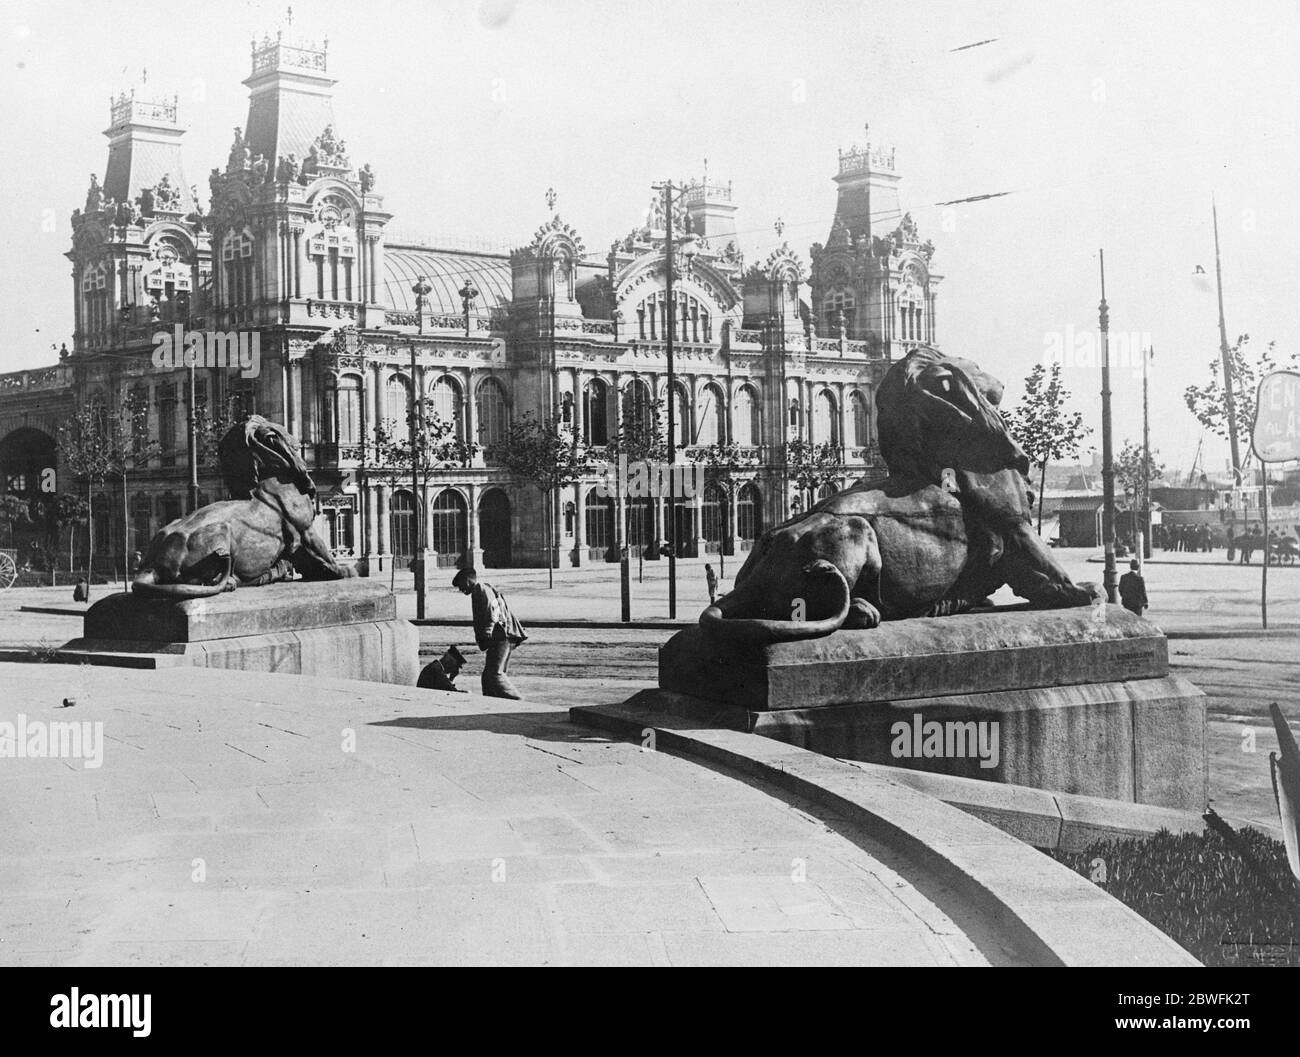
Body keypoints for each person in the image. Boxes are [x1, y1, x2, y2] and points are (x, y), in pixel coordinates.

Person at [453, 567, 527, 699]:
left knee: (494, 673)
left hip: (501, 636)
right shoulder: (484, 588)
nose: (460, 589)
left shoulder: (479, 588)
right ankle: (490, 702)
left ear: (467, 580)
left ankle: (517, 700)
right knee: (488, 676)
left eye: (461, 585)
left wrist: (487, 632)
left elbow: (492, 611)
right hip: (504, 635)